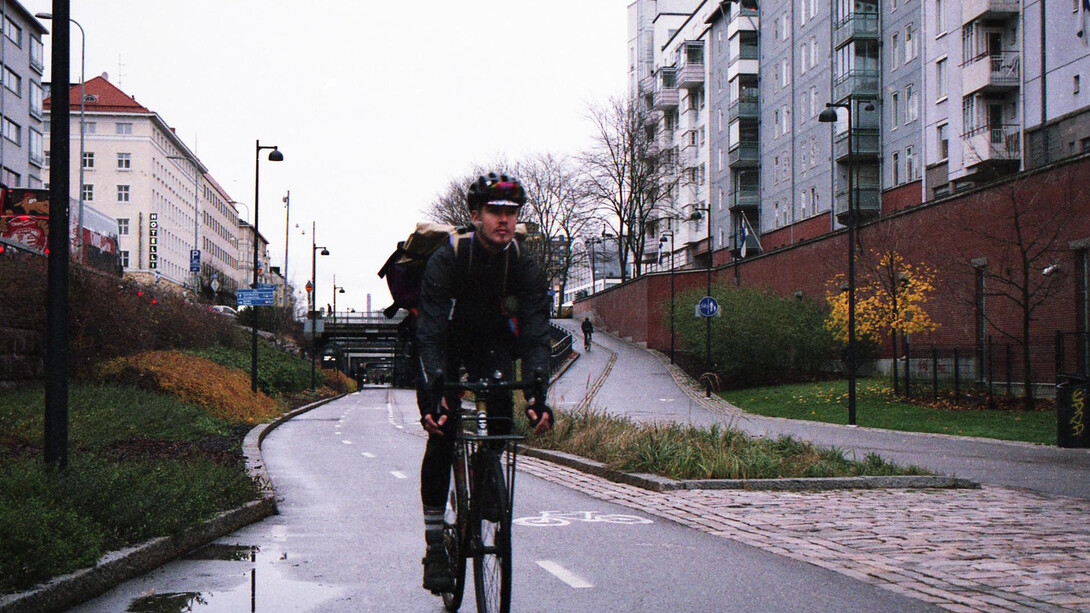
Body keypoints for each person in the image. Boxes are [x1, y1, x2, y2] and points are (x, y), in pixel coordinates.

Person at [414, 171, 553, 593]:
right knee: (442, 433)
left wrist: (536, 393)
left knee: (500, 415)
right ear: (475, 215)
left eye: (511, 212)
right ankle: (436, 544)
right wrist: (434, 397)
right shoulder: (449, 258)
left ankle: (486, 469)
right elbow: (431, 332)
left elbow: (534, 333)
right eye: (494, 211)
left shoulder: (524, 266)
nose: (504, 220)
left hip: (492, 347)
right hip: (446, 345)